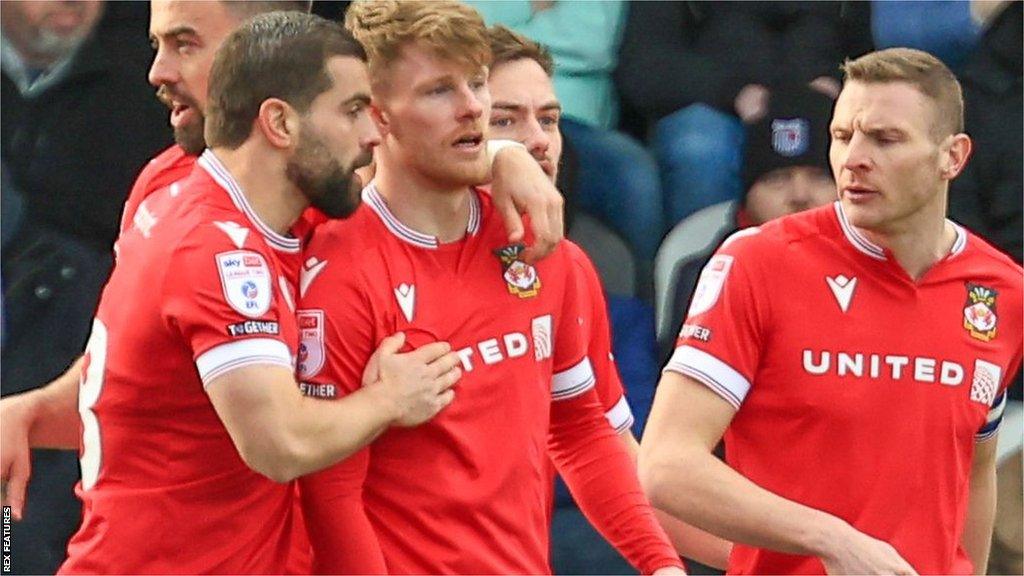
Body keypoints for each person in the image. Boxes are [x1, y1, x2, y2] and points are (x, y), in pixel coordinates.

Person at [1, 0, 566, 530]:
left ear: (263, 54)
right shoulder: (170, 191)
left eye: (185, 44)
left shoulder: (329, 192)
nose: (157, 70)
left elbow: (407, 158)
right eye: (158, 44)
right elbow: (149, 386)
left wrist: (503, 154)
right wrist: (34, 411)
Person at [54, 11, 472, 573]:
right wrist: (390, 399)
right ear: (280, 124)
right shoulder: (217, 253)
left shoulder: (245, 206)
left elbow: (403, 182)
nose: (374, 133)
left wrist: (506, 160)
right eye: (352, 111)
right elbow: (280, 446)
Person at [295, 2, 684, 573]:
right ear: (378, 117)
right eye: (438, 91)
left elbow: (579, 430)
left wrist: (661, 564)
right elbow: (328, 495)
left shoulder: (543, 250)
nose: (472, 108)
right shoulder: (339, 271)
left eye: (476, 83)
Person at [640, 47, 1022, 574]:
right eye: (843, 137)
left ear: (952, 157)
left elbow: (973, 471)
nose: (854, 159)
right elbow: (665, 466)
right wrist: (831, 539)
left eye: (885, 139)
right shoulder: (758, 262)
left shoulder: (1001, 290)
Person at [486, 23, 731, 572]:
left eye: (548, 119)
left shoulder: (566, 268)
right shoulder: (353, 252)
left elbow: (590, 441)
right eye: (505, 120)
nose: (537, 141)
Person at [659, 85, 837, 357]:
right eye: (777, 179)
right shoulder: (706, 276)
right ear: (746, 196)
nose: (800, 195)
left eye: (820, 178)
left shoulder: (882, 272)